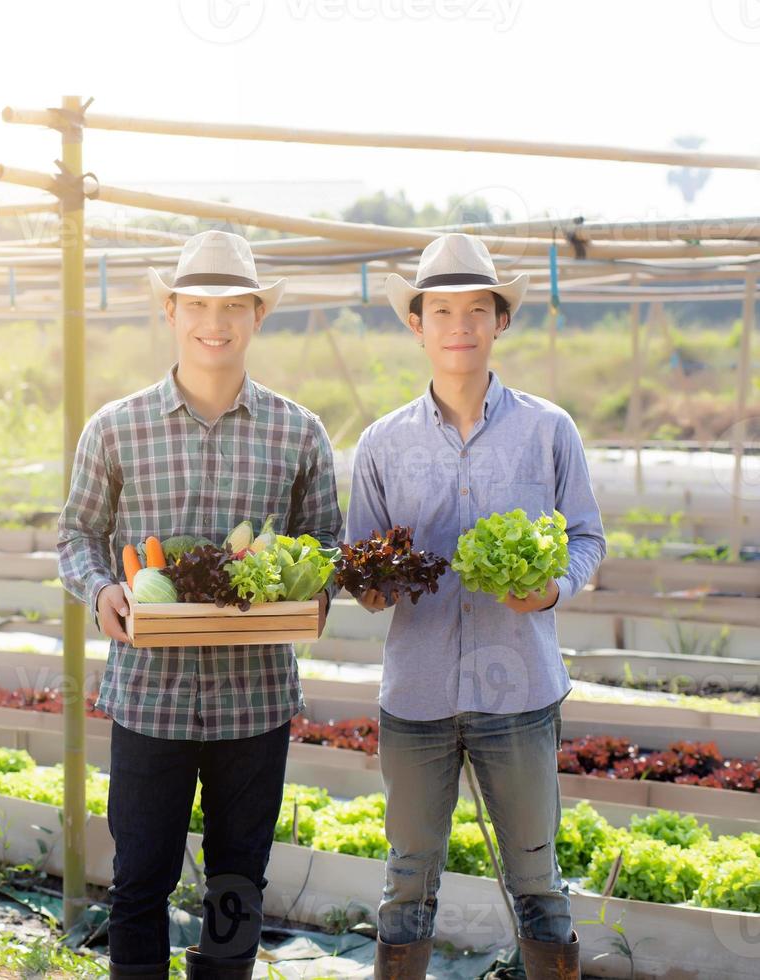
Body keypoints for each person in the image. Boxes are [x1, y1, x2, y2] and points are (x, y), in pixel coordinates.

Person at [58, 230, 342, 980]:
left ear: (257, 317)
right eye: (198, 304)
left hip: (255, 702)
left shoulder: (298, 432)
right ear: (171, 311)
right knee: (139, 883)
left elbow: (327, 551)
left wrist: (311, 597)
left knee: (236, 887)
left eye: (233, 306)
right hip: (149, 697)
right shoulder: (116, 428)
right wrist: (103, 590)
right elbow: (76, 537)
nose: (214, 321)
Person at [346, 233, 605, 980]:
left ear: (500, 322)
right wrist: (364, 582)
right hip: (418, 697)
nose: (459, 325)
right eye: (441, 310)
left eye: (477, 310)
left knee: (539, 884)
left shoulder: (547, 430)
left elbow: (585, 536)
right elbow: (357, 558)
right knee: (405, 883)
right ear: (417, 325)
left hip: (519, 692)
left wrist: (554, 588)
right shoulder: (381, 444)